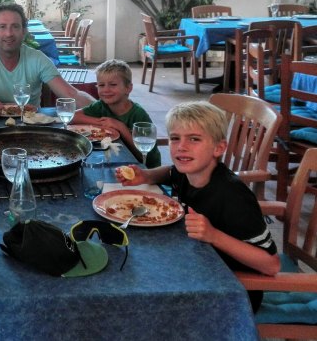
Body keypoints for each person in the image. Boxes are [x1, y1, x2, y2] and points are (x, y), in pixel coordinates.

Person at [116, 101, 279, 311]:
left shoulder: (232, 196)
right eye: (175, 138)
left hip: (230, 293)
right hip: (196, 266)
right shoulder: (188, 172)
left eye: (194, 139)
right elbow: (170, 173)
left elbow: (271, 264)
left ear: (219, 148)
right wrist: (146, 175)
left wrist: (213, 235)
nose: (182, 147)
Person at [0, 2, 95, 118]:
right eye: (2, 27)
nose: (9, 33)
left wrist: (103, 109)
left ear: (24, 32)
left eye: (15, 27)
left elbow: (71, 95)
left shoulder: (37, 58)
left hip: (30, 128)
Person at [71, 59, 161, 168]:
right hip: (117, 160)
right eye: (101, 85)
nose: (106, 90)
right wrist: (101, 122)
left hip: (145, 168)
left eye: (113, 85)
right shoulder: (101, 105)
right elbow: (72, 116)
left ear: (128, 88)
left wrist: (120, 127)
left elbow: (144, 155)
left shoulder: (138, 114)